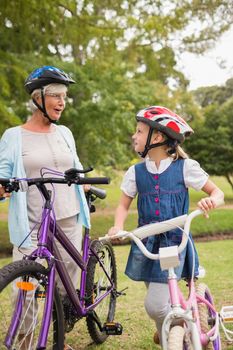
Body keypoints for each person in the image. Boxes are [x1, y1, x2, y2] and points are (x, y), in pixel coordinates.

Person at [108, 106, 224, 345]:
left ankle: (178, 323)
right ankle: (169, 331)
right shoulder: (136, 172)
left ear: (158, 137)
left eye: (139, 131)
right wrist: (117, 226)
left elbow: (217, 192)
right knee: (159, 301)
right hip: (147, 241)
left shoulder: (185, 167)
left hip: (174, 243)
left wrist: (210, 200)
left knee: (155, 305)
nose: (134, 136)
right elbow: (122, 206)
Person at [0, 66, 90, 348]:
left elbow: (74, 167)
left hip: (68, 219)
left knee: (64, 287)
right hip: (32, 224)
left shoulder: (65, 133)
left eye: (65, 96)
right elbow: (2, 174)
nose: (62, 102)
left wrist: (84, 183)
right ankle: (25, 342)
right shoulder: (13, 136)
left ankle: (59, 337)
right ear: (37, 98)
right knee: (24, 291)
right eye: (56, 96)